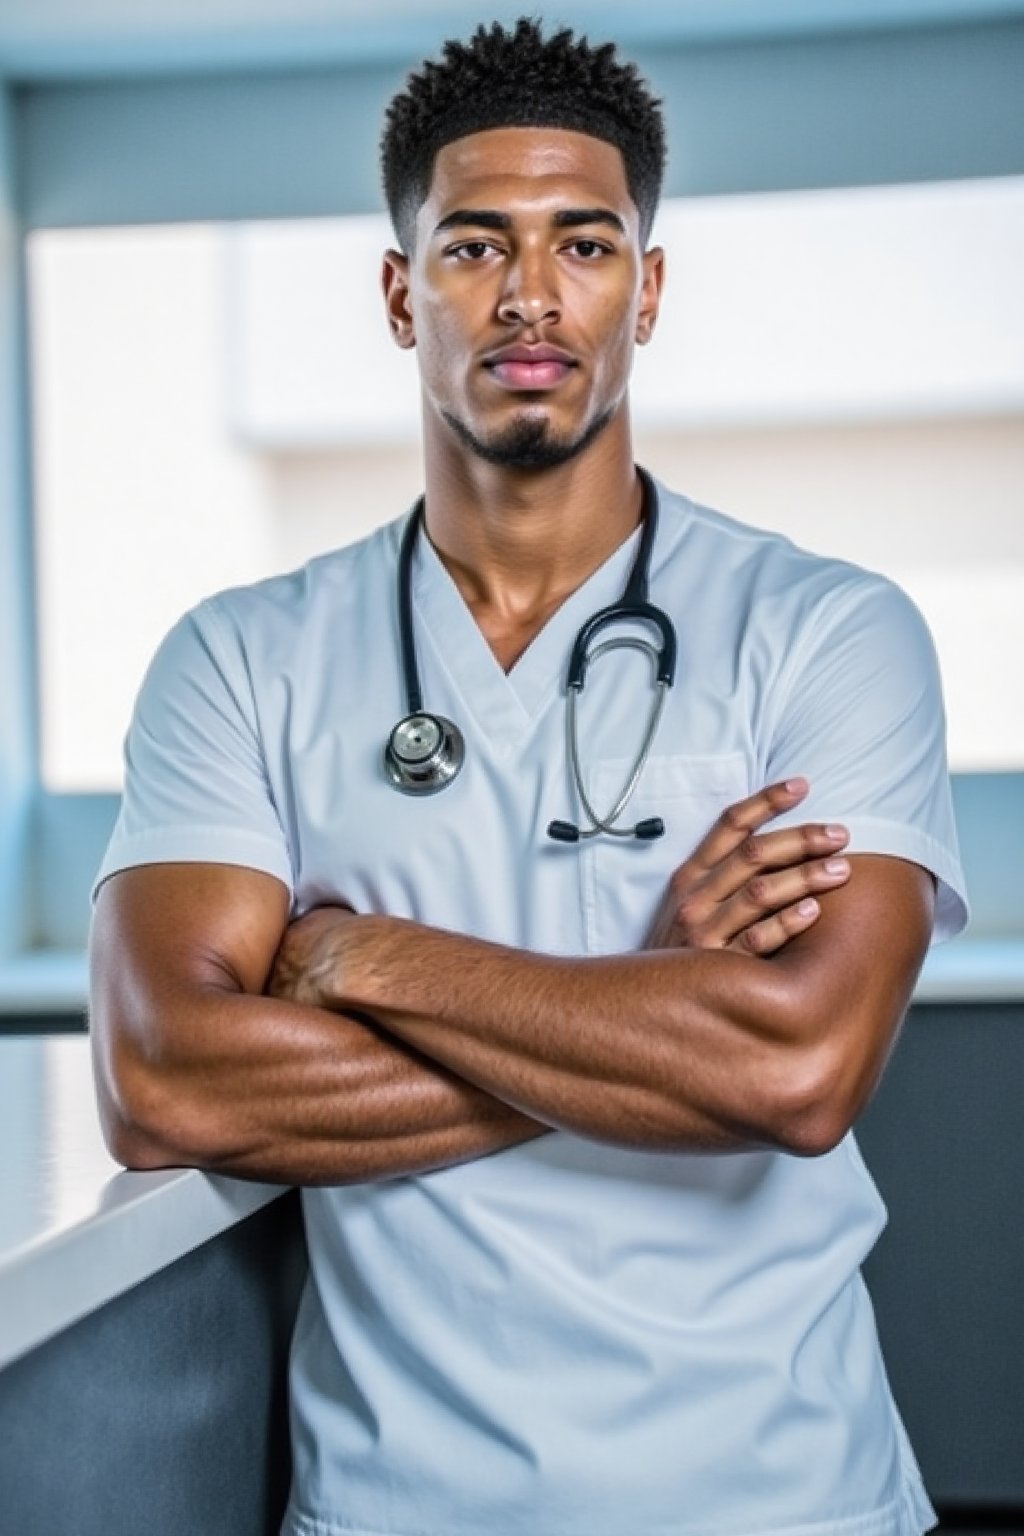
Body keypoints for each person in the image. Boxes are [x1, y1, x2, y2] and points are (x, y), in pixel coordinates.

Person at [89, 17, 968, 1536]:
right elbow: (166, 1080)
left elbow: (796, 1072)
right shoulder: (245, 659)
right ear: (397, 290)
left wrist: (367, 955)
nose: (533, 297)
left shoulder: (827, 629)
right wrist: (651, 1007)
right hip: (400, 1504)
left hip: (784, 1497)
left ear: (651, 288)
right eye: (475, 247)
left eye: (587, 243)